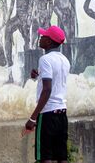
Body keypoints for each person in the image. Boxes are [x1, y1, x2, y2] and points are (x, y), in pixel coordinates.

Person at [25, 25, 70, 163]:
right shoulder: (64, 60)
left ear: (49, 42)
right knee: (61, 157)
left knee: (46, 157)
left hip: (48, 115)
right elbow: (55, 81)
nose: (40, 38)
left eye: (44, 36)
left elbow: (47, 89)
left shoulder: (45, 59)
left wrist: (33, 118)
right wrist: (37, 75)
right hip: (62, 114)